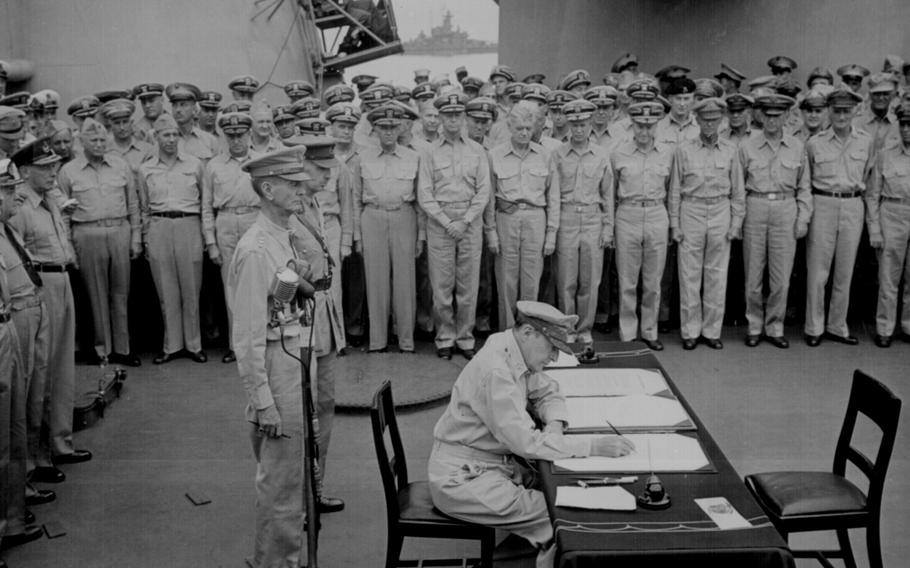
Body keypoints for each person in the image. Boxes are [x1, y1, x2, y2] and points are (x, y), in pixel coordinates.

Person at [428, 300, 635, 568]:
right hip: (463, 478)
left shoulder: (511, 348)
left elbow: (548, 390)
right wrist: (593, 446)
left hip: (492, 464)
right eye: (551, 348)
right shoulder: (497, 370)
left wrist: (556, 424)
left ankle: (521, 557)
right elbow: (525, 442)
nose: (553, 358)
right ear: (528, 332)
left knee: (565, 490)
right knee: (558, 513)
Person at [227, 146, 315, 568]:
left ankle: (286, 559)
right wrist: (263, 401)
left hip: (295, 357)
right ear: (267, 188)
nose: (302, 189)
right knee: (280, 485)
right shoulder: (255, 248)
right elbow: (246, 336)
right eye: (292, 184)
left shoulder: (284, 234)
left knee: (294, 477)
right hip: (277, 368)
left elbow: (281, 296)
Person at [288, 136, 346, 514]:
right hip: (300, 317)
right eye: (321, 169)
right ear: (301, 167)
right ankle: (297, 493)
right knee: (301, 406)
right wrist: (301, 283)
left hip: (322, 312)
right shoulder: (287, 213)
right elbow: (278, 275)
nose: (328, 176)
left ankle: (316, 486)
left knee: (325, 402)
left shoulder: (313, 206)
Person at [57, 118, 142, 367]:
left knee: (121, 293)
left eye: (102, 140)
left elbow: (133, 204)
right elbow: (62, 214)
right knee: (95, 295)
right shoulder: (68, 171)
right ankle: (101, 349)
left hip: (119, 230)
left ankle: (123, 349)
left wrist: (136, 237)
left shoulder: (120, 166)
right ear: (81, 142)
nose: (98, 144)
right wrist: (68, 247)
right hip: (86, 233)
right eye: (93, 140)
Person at [418, 93, 491, 360]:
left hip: (469, 222)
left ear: (463, 118)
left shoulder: (476, 150)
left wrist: (466, 220)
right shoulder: (429, 153)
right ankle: (445, 338)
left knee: (468, 286)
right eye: (447, 115)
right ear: (439, 118)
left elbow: (484, 191)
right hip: (441, 223)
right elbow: (425, 193)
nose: (452, 120)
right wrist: (449, 222)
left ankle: (465, 338)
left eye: (457, 115)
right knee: (442, 286)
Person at [669, 97, 746, 350]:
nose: (710, 124)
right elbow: (675, 190)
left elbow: (738, 191)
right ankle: (690, 331)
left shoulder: (730, 150)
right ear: (697, 121)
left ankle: (712, 331)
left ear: (721, 120)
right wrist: (675, 224)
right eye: (705, 119)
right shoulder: (684, 149)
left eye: (714, 120)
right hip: (691, 208)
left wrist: (736, 223)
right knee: (689, 274)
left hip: (720, 209)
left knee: (716, 274)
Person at [738, 94, 812, 348]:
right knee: (753, 273)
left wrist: (803, 218)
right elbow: (738, 186)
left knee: (781, 276)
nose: (772, 120)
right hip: (755, 205)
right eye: (767, 115)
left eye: (777, 115)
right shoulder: (747, 146)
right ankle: (754, 325)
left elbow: (804, 186)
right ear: (760, 116)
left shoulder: (797, 146)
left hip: (785, 206)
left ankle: (775, 326)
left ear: (786, 117)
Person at [803, 86, 873, 346]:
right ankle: (814, 327)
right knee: (818, 270)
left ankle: (837, 325)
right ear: (829, 112)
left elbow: (869, 175)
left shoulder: (866, 141)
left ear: (855, 111)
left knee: (844, 270)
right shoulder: (815, 142)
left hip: (853, 204)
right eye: (836, 111)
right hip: (823, 202)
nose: (841, 116)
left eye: (846, 111)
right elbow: (807, 179)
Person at [352, 103, 424, 353]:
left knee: (405, 282)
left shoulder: (414, 157)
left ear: (401, 127)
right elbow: (355, 199)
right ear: (375, 129)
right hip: (372, 217)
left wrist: (421, 235)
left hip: (404, 216)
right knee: (376, 281)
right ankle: (378, 341)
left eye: (393, 127)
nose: (389, 132)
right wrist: (357, 236)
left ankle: (406, 341)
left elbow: (421, 200)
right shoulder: (362, 158)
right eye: (383, 127)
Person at [0, 158, 45, 554]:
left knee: (14, 426)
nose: (14, 194)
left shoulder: (5, 228)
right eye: (5, 189)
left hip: (10, 327)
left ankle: (13, 516)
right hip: (6, 325)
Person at [137, 114, 207, 364]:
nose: (171, 139)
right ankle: (172, 346)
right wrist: (146, 238)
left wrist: (205, 236)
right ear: (156, 137)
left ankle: (194, 344)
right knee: (166, 290)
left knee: (191, 289)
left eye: (175, 134)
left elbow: (205, 202)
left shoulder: (195, 165)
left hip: (189, 224)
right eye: (165, 135)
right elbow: (144, 208)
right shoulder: (145, 169)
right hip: (159, 226)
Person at [485, 101, 560, 329]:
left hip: (536, 219)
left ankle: (529, 330)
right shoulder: (494, 155)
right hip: (506, 219)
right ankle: (507, 331)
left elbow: (554, 197)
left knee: (531, 280)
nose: (525, 133)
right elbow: (489, 198)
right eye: (519, 129)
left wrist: (551, 235)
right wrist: (491, 233)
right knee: (506, 280)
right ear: (510, 127)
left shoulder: (545, 155)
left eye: (529, 128)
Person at [611, 101, 674, 349]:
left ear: (656, 125)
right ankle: (628, 333)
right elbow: (612, 191)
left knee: (653, 280)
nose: (644, 132)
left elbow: (672, 189)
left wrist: (671, 222)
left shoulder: (667, 152)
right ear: (632, 125)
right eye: (639, 126)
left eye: (649, 126)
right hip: (628, 213)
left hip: (657, 211)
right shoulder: (619, 153)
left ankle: (649, 331)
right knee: (627, 279)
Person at [552, 99, 613, 347]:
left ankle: (585, 328)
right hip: (566, 216)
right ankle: (567, 327)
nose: (579, 129)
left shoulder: (601, 154)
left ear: (591, 124)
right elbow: (552, 194)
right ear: (568, 124)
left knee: (590, 279)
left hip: (591, 218)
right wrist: (552, 229)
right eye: (574, 124)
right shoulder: (557, 154)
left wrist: (608, 227)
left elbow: (608, 194)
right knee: (566, 279)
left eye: (584, 124)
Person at [201, 112, 260, 364]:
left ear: (249, 134)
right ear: (225, 137)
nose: (236, 140)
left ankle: (259, 343)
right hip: (225, 222)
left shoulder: (261, 161)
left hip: (254, 220)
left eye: (241, 135)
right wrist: (211, 243)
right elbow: (206, 207)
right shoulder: (214, 166)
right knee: (231, 286)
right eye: (231, 136)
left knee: (258, 283)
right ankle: (236, 346)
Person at [865, 103, 910, 347]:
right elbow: (873, 194)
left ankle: (908, 325)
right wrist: (874, 228)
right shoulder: (886, 154)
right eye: (903, 124)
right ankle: (885, 327)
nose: (906, 130)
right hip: (892, 213)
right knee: (888, 276)